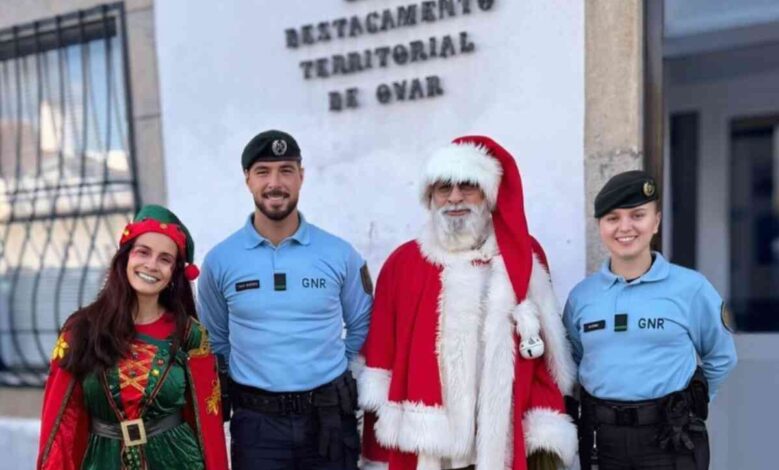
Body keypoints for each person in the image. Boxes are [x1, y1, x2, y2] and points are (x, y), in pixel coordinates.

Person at [359, 135, 578, 470]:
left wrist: (545, 435)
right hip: (428, 450)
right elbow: (381, 359)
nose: (455, 197)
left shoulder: (520, 257)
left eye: (468, 186)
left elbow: (543, 358)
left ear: (488, 195)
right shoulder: (403, 264)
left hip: (502, 445)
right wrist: (377, 453)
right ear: (430, 196)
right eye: (444, 187)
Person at [198, 129, 373, 470]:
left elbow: (362, 324)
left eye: (286, 170)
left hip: (329, 420)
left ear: (301, 177)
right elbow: (215, 339)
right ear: (247, 179)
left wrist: (330, 366)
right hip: (257, 427)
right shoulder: (220, 261)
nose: (275, 183)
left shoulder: (340, 254)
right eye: (263, 171)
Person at [563, 170, 738, 470]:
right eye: (612, 218)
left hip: (669, 438)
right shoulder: (582, 296)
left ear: (655, 221)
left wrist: (690, 404)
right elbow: (572, 363)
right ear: (599, 226)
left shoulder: (691, 288)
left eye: (637, 215)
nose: (625, 227)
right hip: (602, 441)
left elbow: (721, 357)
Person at [36, 204, 228, 470]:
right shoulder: (81, 330)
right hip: (103, 461)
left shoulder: (191, 335)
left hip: (178, 461)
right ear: (126, 257)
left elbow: (209, 425)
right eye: (143, 252)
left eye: (165, 259)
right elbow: (62, 420)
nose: (151, 265)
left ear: (174, 272)